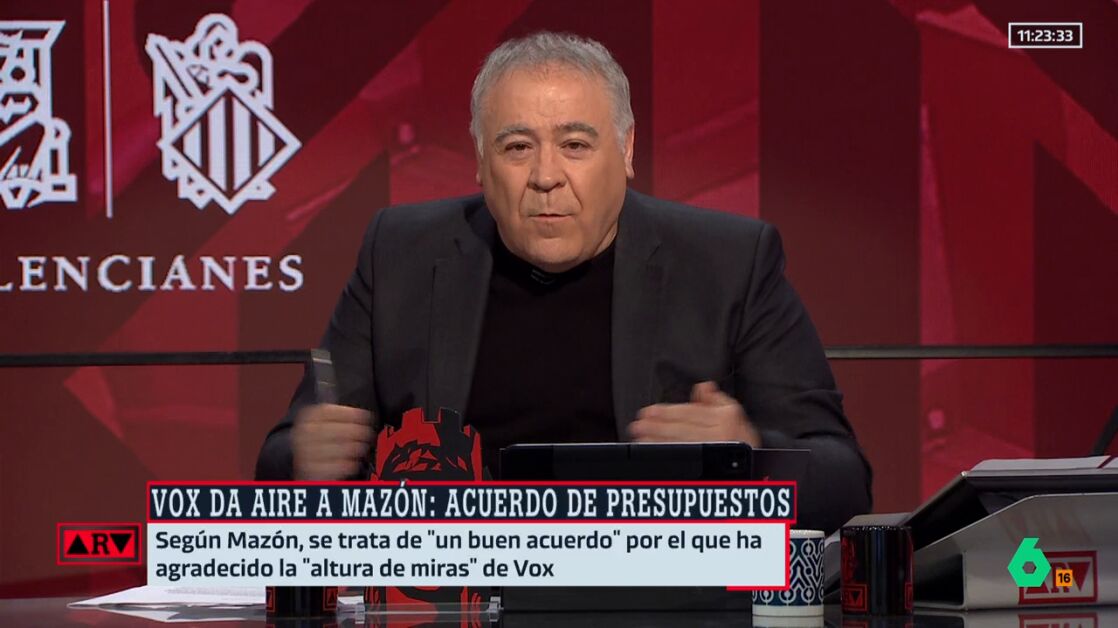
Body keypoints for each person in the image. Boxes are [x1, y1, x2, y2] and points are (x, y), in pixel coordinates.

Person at [256, 31, 871, 533]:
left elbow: (845, 480)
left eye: (575, 144)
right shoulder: (400, 253)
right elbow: (282, 456)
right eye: (517, 147)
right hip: (451, 590)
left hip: (650, 595)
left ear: (626, 151)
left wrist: (748, 457)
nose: (546, 176)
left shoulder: (730, 261)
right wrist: (305, 462)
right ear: (479, 160)